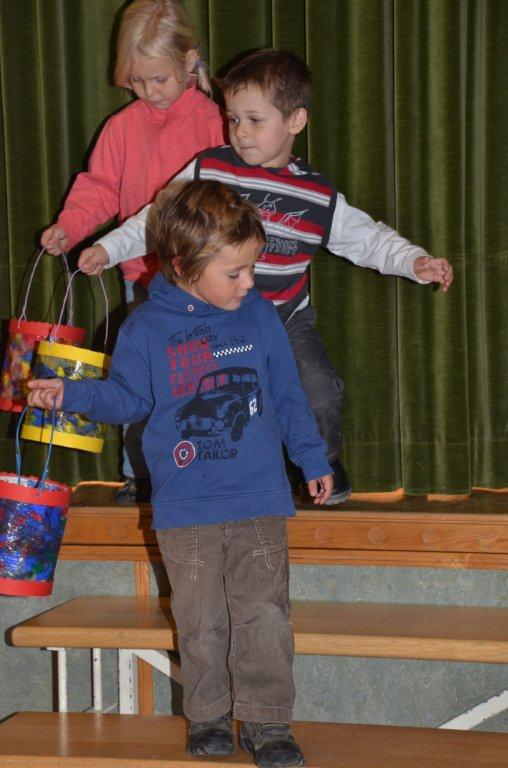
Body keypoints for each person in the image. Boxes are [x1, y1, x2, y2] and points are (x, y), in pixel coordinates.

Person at [29, 179, 333, 768]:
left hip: (258, 500)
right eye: (235, 272)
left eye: (252, 268)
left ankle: (268, 722)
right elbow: (128, 400)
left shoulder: (259, 316)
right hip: (185, 507)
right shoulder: (145, 328)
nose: (249, 284)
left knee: (265, 615)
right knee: (200, 620)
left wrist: (312, 457)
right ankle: (209, 717)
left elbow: (286, 393)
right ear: (183, 264)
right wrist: (71, 394)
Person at [76, 48, 454, 505]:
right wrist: (108, 248)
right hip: (213, 321)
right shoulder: (209, 169)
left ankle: (321, 463)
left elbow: (368, 239)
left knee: (319, 393)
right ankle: (195, 481)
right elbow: (157, 221)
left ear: (296, 121)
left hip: (284, 318)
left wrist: (414, 261)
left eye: (255, 120)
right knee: (196, 401)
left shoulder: (316, 193)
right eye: (233, 119)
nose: (240, 132)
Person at [40, 0, 224, 505]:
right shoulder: (122, 127)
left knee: (198, 380)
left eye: (159, 79)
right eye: (137, 82)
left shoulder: (216, 124)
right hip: (139, 276)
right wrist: (69, 227)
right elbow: (98, 187)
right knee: (138, 376)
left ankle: (201, 471)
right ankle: (137, 474)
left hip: (202, 282)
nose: (149, 92)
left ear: (190, 61)